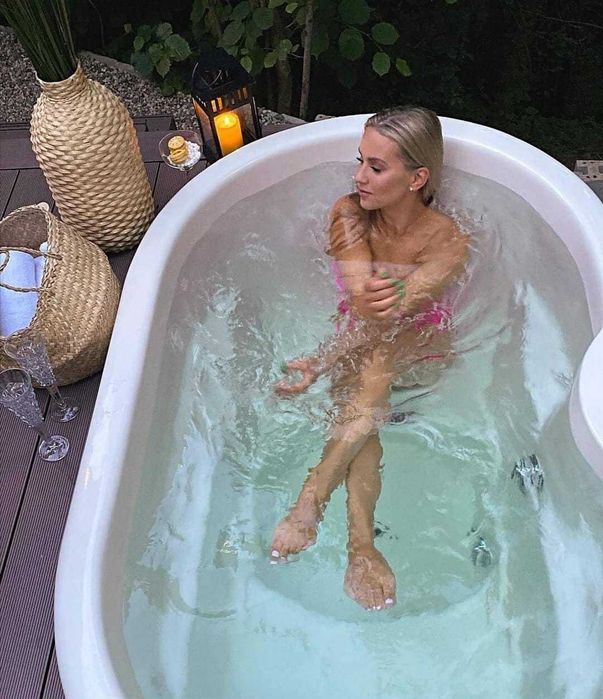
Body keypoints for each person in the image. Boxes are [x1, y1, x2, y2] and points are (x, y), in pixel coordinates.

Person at [271, 106, 469, 611]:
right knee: (363, 402)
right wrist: (325, 357)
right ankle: (361, 546)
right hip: (362, 339)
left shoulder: (447, 240)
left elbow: (398, 314)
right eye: (360, 160)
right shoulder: (348, 212)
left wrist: (324, 358)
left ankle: (311, 497)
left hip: (420, 346)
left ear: (416, 178)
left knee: (376, 367)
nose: (359, 176)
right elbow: (363, 299)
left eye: (376, 167)